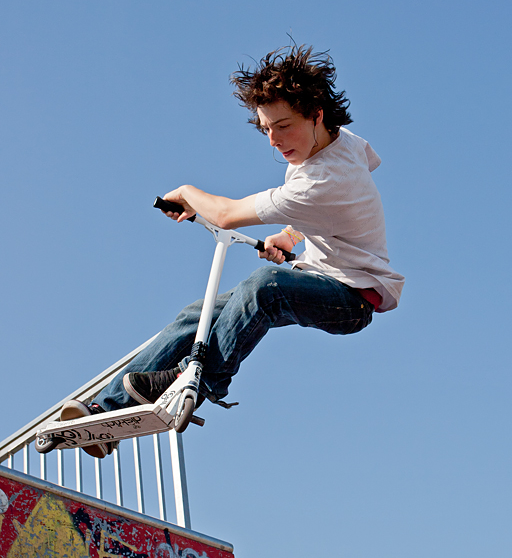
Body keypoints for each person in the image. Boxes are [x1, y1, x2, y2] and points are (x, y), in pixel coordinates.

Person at [61, 45, 404, 458]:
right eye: (266, 130)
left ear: (317, 113)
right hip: (318, 273)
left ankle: (198, 381)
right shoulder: (341, 141)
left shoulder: (318, 181)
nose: (276, 142)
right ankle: (106, 412)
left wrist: (188, 192)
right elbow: (353, 184)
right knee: (199, 313)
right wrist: (292, 235)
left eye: (283, 126)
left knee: (265, 287)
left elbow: (225, 215)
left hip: (352, 299)